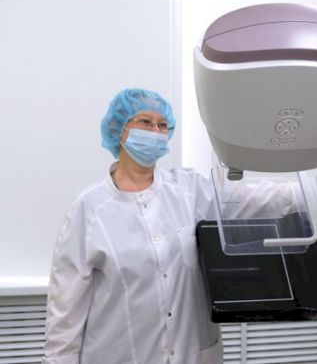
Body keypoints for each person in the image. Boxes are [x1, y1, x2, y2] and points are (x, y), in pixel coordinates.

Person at [43, 88, 293, 363]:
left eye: (163, 125)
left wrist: (314, 191)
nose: (156, 131)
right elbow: (66, 309)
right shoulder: (90, 209)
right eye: (145, 122)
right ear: (120, 130)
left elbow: (251, 198)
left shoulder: (188, 190)